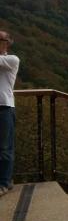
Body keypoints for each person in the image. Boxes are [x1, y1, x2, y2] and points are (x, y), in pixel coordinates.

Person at [0, 30, 20, 197]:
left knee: (5, 148)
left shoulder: (12, 59)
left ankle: (4, 182)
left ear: (7, 43)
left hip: (4, 107)